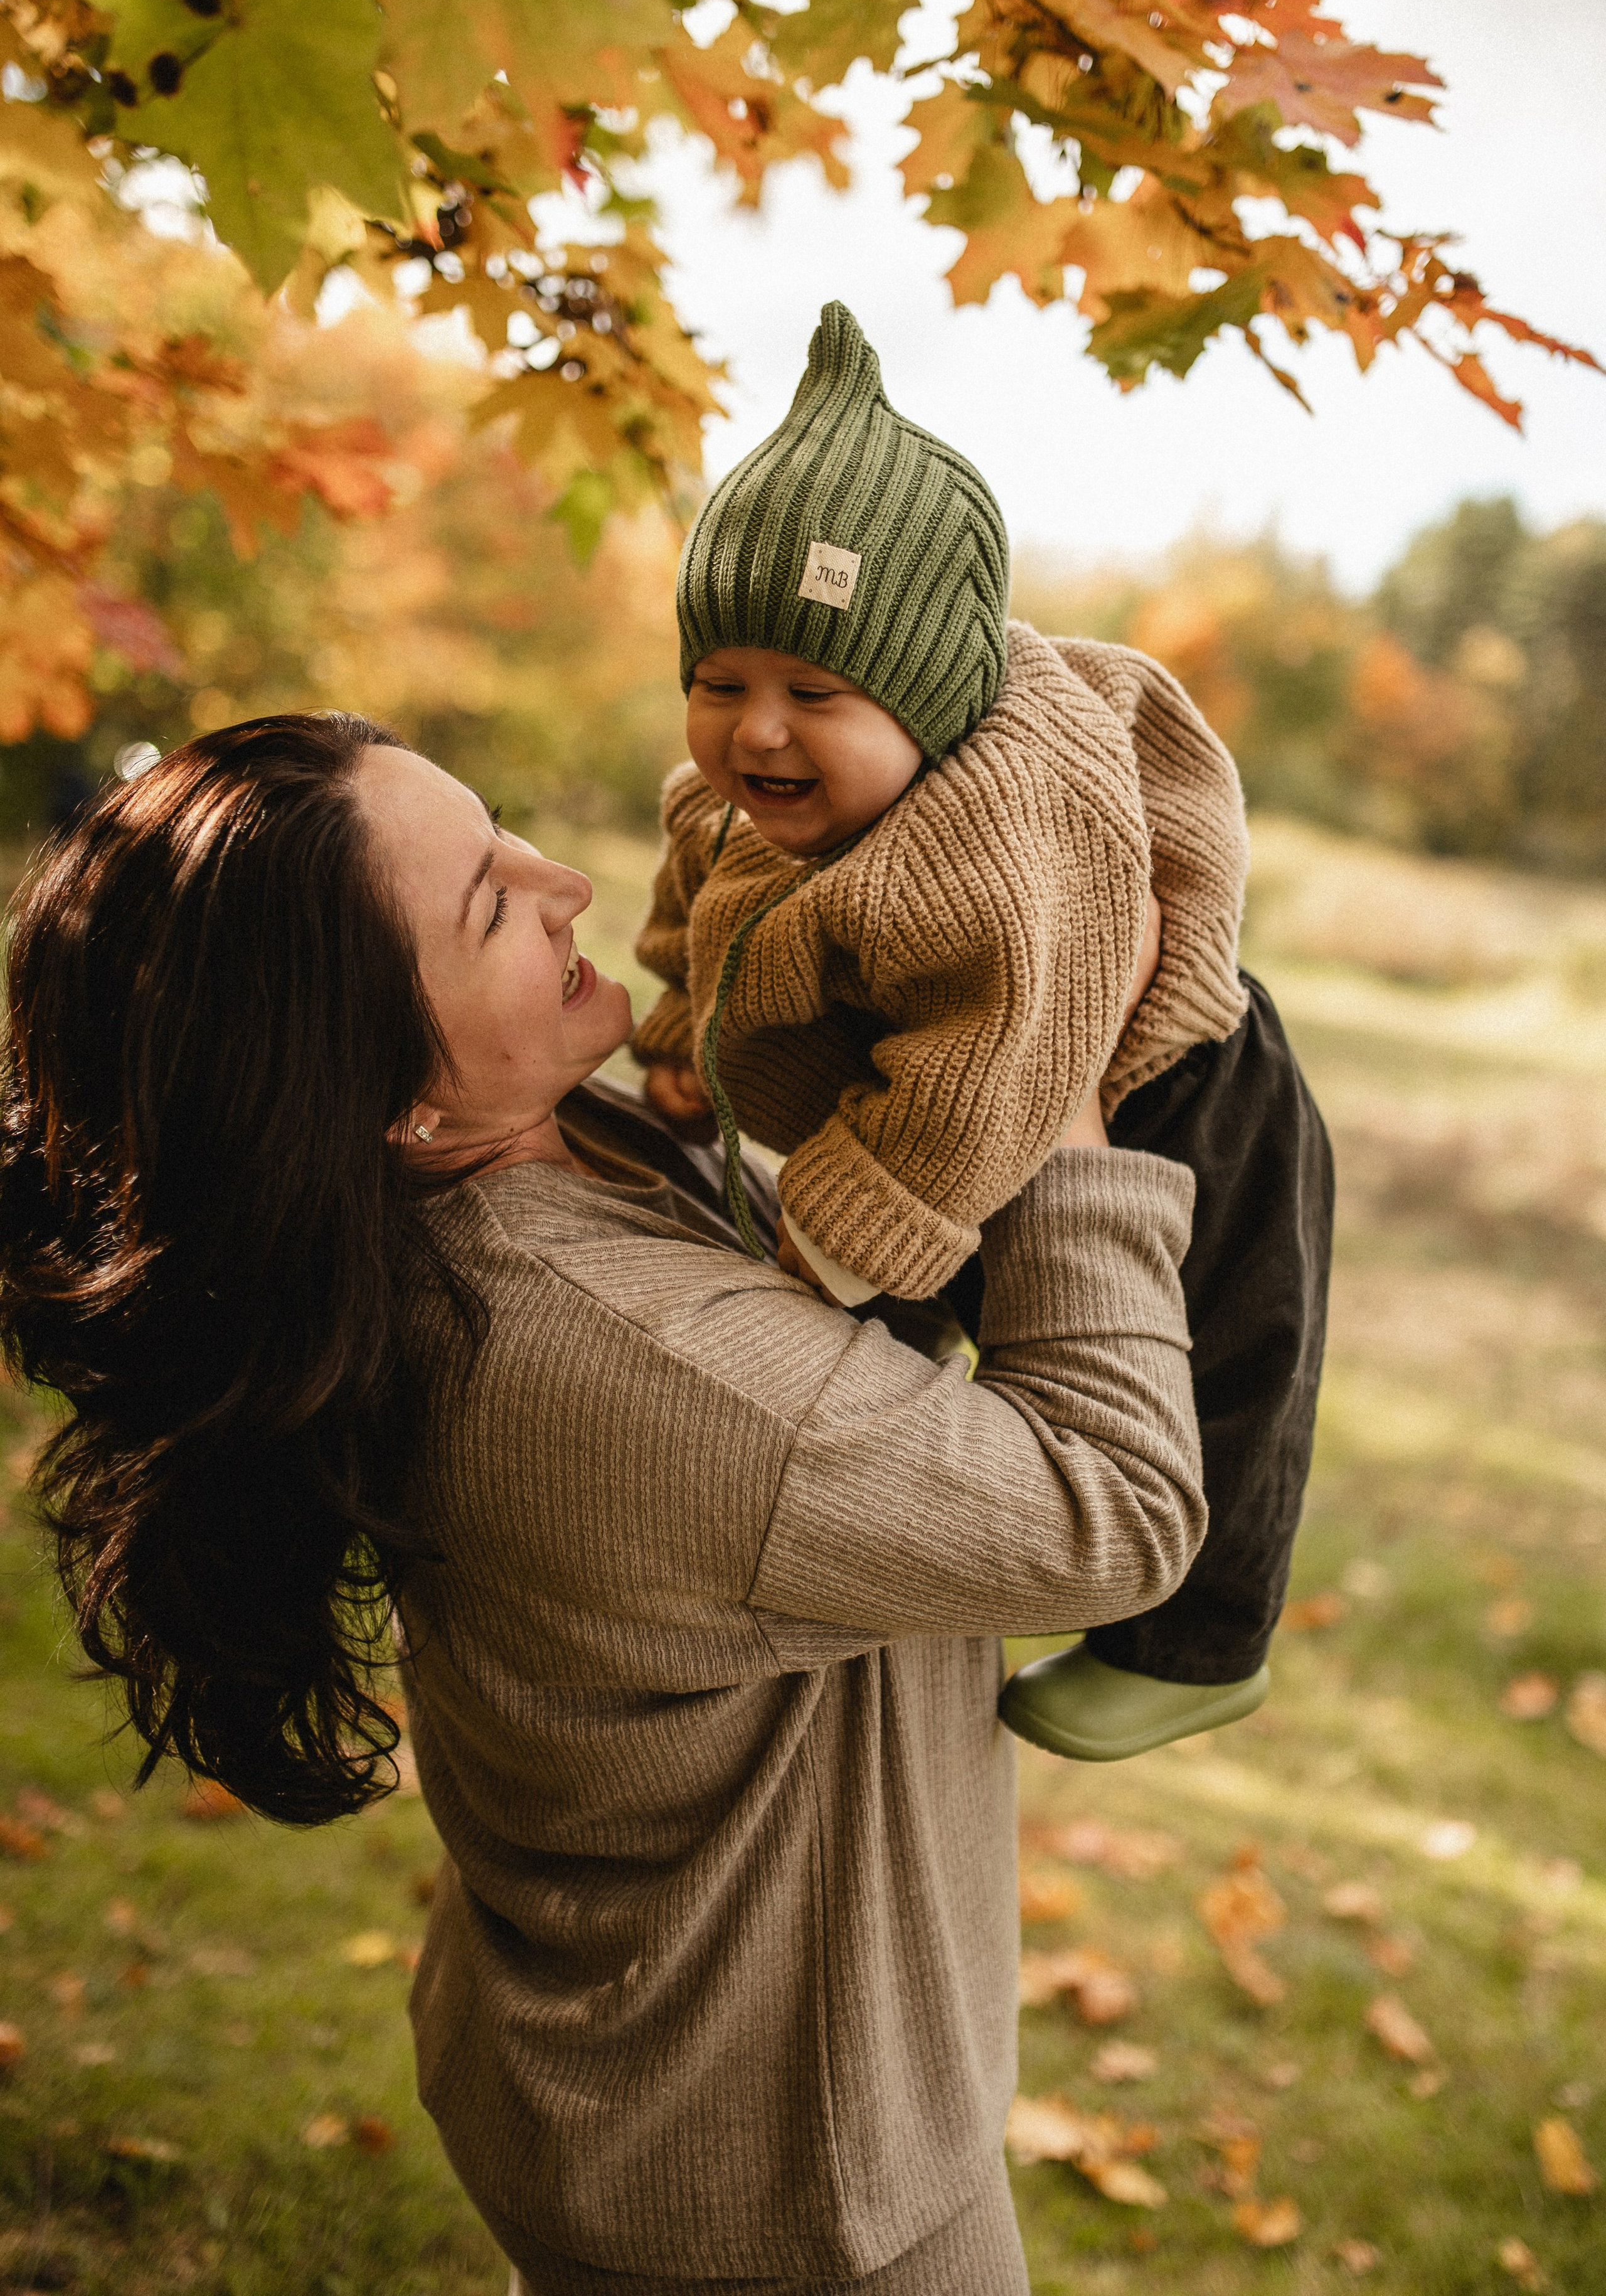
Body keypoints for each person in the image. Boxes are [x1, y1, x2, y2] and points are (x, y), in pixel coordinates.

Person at [0, 711, 1204, 2295]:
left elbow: (834, 1318)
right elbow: (1109, 1504)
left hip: (644, 2102)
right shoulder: (610, 1362)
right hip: (798, 2200)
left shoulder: (479, 1180)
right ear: (379, 1093)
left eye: (499, 828)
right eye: (489, 908)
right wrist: (1044, 1106)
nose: (562, 878)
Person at [635, 301, 1333, 1765]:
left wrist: (834, 1237)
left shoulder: (992, 843)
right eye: (719, 683)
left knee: (1225, 1348)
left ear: (931, 705)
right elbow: (698, 901)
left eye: (811, 695)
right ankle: (860, 1547)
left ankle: (1195, 1647)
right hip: (927, 1077)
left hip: (1142, 1072)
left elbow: (992, 1078)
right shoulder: (739, 794)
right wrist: (675, 1035)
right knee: (864, 1338)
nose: (754, 732)